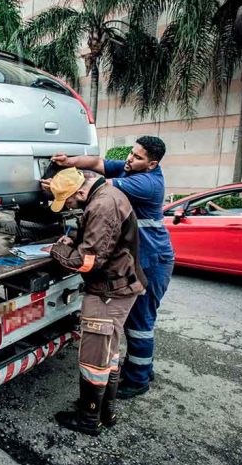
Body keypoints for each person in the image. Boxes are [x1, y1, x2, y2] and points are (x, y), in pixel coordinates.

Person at [42, 136, 174, 399]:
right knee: (136, 321)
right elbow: (99, 163)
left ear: (152, 164)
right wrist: (70, 162)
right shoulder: (132, 168)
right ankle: (143, 369)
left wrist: (62, 185)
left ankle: (138, 379)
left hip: (152, 260)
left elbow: (97, 183)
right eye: (132, 153)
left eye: (137, 157)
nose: (130, 159)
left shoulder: (147, 183)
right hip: (140, 257)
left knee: (140, 322)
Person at [48, 167, 146, 436]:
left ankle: (89, 419)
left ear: (80, 191)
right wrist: (74, 238)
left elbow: (88, 261)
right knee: (108, 353)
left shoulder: (101, 206)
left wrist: (57, 250)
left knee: (93, 359)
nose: (69, 207)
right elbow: (101, 239)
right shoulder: (106, 195)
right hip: (120, 287)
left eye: (68, 202)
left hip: (108, 293)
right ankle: (106, 412)